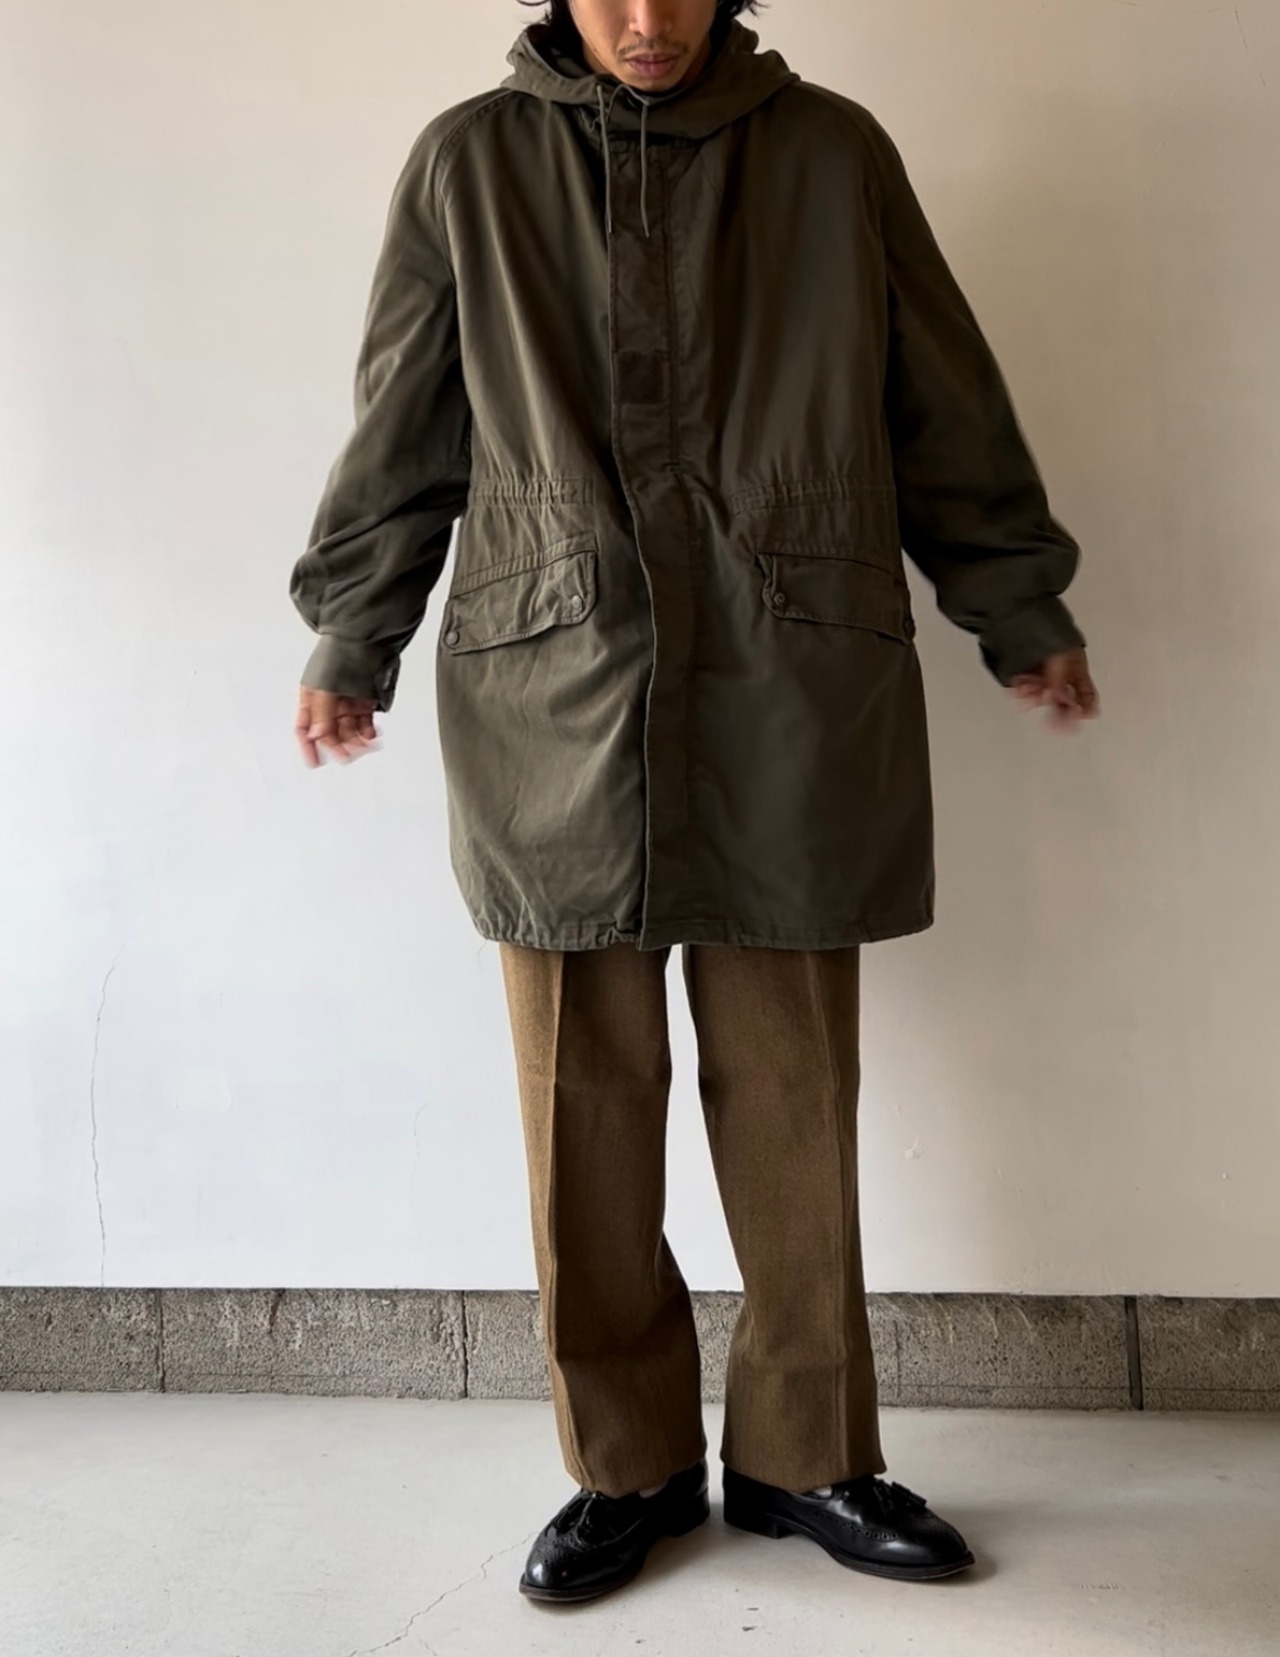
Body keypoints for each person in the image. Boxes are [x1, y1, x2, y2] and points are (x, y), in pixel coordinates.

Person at [289, 0, 1099, 1608]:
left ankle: (808, 1454)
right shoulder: (469, 165)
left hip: (785, 683)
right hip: (556, 694)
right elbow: (407, 422)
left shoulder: (832, 155)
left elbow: (939, 398)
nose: (646, 19)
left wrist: (1018, 603)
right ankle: (626, 1463)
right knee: (580, 1101)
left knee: (794, 1092)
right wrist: (350, 635)